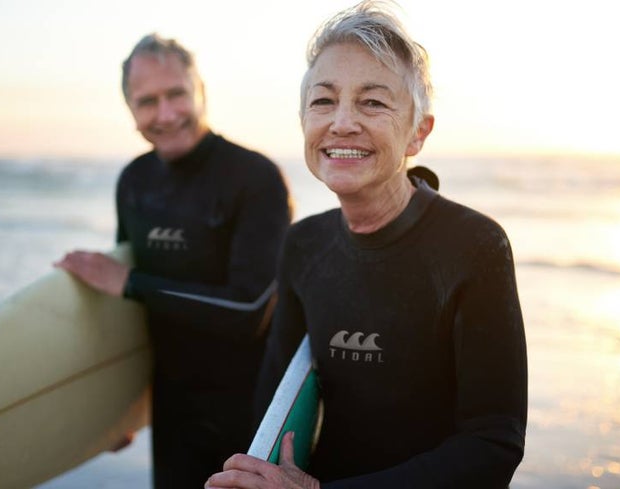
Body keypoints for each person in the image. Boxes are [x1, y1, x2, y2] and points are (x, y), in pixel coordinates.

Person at [206, 1, 527, 488]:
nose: (342, 122)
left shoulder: (474, 247)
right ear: (303, 123)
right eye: (323, 101)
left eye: (372, 102)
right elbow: (276, 404)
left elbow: (494, 444)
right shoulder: (304, 244)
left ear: (418, 133)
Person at [54, 33, 292, 488]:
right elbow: (132, 319)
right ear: (130, 111)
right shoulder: (135, 181)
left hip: (250, 419)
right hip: (172, 418)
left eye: (176, 94)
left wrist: (130, 282)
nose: (165, 115)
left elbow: (249, 312)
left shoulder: (254, 178)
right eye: (147, 102)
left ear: (200, 91)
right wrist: (118, 409)